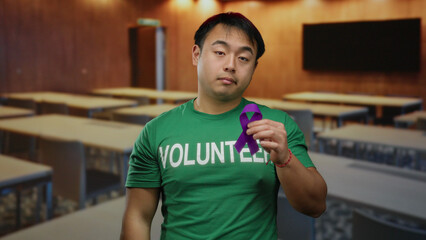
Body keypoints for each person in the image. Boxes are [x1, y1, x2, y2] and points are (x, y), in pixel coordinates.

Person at [120, 12, 327, 240]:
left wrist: (285, 159)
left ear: (253, 68)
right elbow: (137, 216)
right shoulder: (156, 131)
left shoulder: (277, 126)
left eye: (244, 59)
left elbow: (315, 205)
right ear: (196, 55)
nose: (230, 65)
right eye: (220, 52)